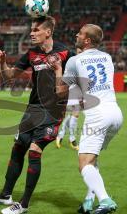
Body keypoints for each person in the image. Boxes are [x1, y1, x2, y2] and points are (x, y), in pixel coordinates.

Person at [0, 15, 74, 214]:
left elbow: (72, 85)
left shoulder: (67, 53)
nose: (31, 33)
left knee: (35, 150)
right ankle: (5, 195)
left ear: (48, 32)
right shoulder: (32, 54)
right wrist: (3, 63)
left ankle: (23, 204)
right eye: (31, 29)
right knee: (18, 149)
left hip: (53, 111)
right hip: (32, 110)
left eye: (36, 30)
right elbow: (9, 77)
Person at [49, 24, 123, 214]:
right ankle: (89, 201)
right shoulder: (107, 57)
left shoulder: (75, 60)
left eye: (80, 33)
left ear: (87, 40)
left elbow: (60, 91)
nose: (76, 34)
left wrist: (58, 69)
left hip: (98, 115)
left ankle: (105, 200)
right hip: (115, 112)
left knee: (84, 163)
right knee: (92, 159)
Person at [56, 84, 79, 150]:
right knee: (75, 113)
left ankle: (60, 136)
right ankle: (72, 139)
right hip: (72, 88)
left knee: (73, 114)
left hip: (79, 89)